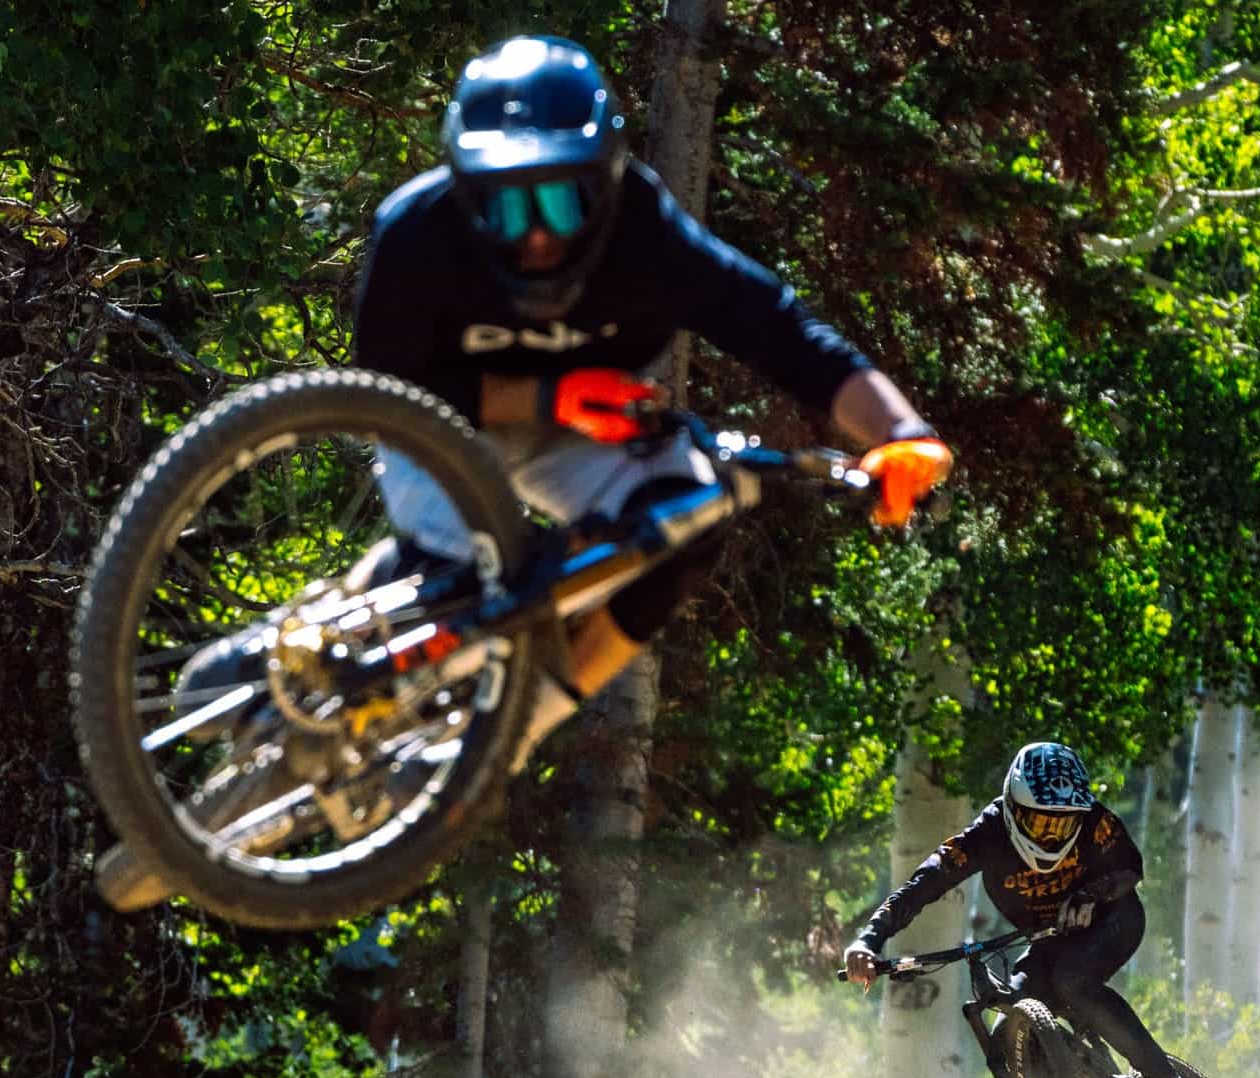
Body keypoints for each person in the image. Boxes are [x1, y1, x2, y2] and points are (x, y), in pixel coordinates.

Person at [182, 32, 951, 783]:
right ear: (465, 190)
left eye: (561, 196)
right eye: (511, 209)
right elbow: (384, 396)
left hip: (577, 435)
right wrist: (551, 394)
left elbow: (780, 330)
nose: (541, 234)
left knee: (690, 517)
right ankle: (307, 631)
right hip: (446, 424)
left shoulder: (644, 233)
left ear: (608, 180)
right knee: (471, 579)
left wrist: (899, 433)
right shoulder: (417, 236)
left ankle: (523, 722)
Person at [843, 740, 1198, 1078]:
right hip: (1050, 939)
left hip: (1112, 922)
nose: (1052, 835)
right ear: (1012, 807)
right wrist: (868, 940)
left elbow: (1130, 867)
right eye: (1040, 823)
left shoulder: (1094, 819)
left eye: (1062, 825)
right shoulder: (985, 835)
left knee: (1075, 983)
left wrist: (1091, 894)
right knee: (1008, 1035)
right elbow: (920, 886)